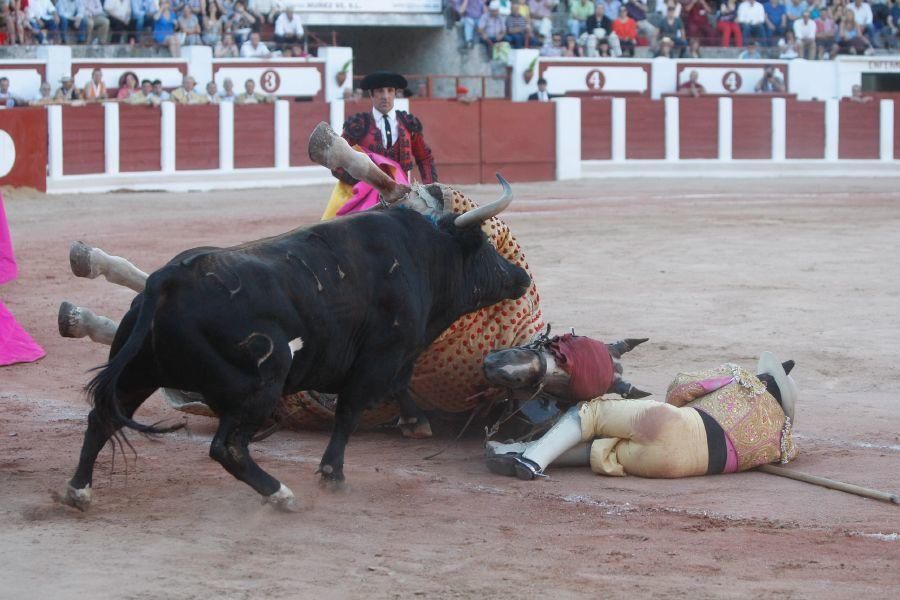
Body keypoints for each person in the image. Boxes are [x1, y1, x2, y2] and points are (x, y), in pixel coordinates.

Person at [487, 353, 798, 481]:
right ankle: (515, 452)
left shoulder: (745, 382)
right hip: (675, 469)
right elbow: (784, 456)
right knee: (607, 446)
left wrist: (678, 409)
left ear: (766, 382)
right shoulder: (781, 441)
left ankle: (533, 460)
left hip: (675, 424)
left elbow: (681, 386)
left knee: (592, 413)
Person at [336, 71, 438, 185]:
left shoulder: (408, 124)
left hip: (402, 194)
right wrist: (360, 185)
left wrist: (430, 187)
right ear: (371, 94)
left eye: (390, 90)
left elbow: (424, 158)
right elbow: (337, 160)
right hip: (368, 199)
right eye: (380, 91)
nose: (385, 96)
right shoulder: (358, 125)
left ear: (395, 94)